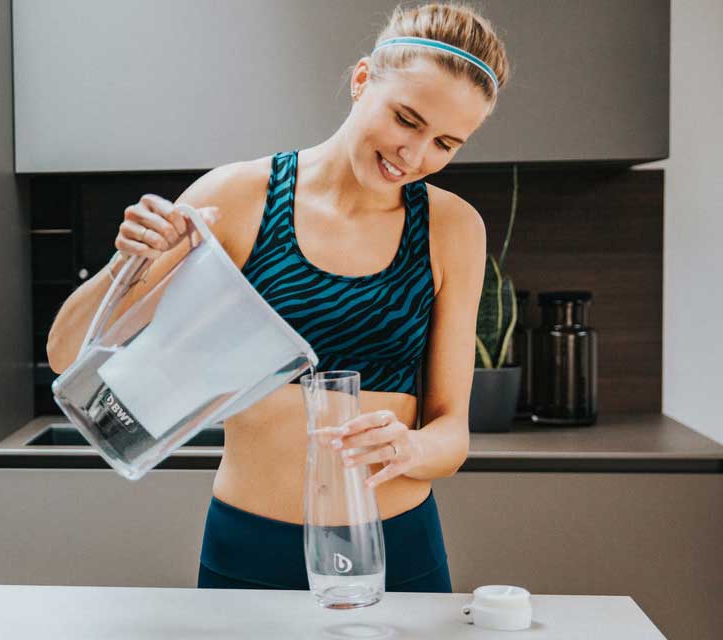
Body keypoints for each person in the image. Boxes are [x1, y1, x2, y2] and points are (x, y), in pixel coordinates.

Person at [46, 2, 510, 592]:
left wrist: (410, 449)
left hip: (393, 545)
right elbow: (68, 357)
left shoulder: (452, 228)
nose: (414, 156)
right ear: (362, 79)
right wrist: (128, 263)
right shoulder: (239, 197)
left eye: (446, 142)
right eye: (406, 120)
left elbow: (452, 433)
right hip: (249, 544)